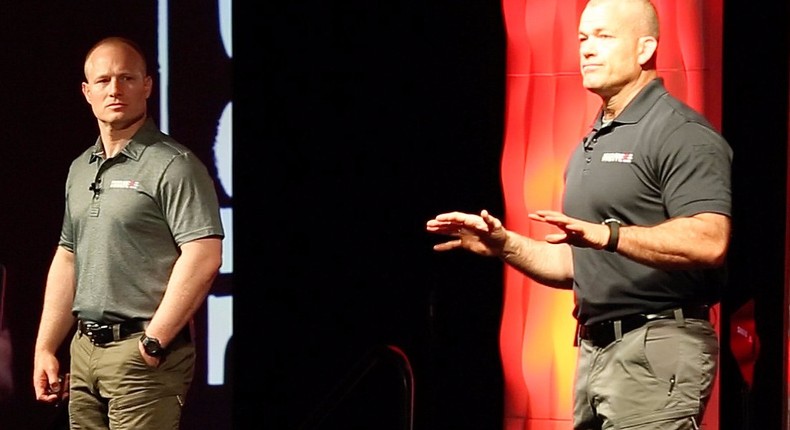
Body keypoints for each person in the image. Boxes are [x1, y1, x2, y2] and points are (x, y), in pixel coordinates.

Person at [426, 0, 732, 428]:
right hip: (595, 351)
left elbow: (709, 240)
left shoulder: (681, 134)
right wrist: (504, 244)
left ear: (645, 49)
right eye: (583, 39)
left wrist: (609, 235)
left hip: (656, 345)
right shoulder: (595, 138)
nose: (587, 49)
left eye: (604, 37)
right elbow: (579, 265)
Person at [32, 36, 224, 429]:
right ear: (87, 92)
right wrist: (46, 346)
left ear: (148, 85)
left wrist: (153, 342)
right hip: (84, 352)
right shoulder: (80, 168)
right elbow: (68, 256)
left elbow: (204, 254)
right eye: (103, 81)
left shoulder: (175, 165)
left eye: (127, 78)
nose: (115, 89)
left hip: (141, 353)